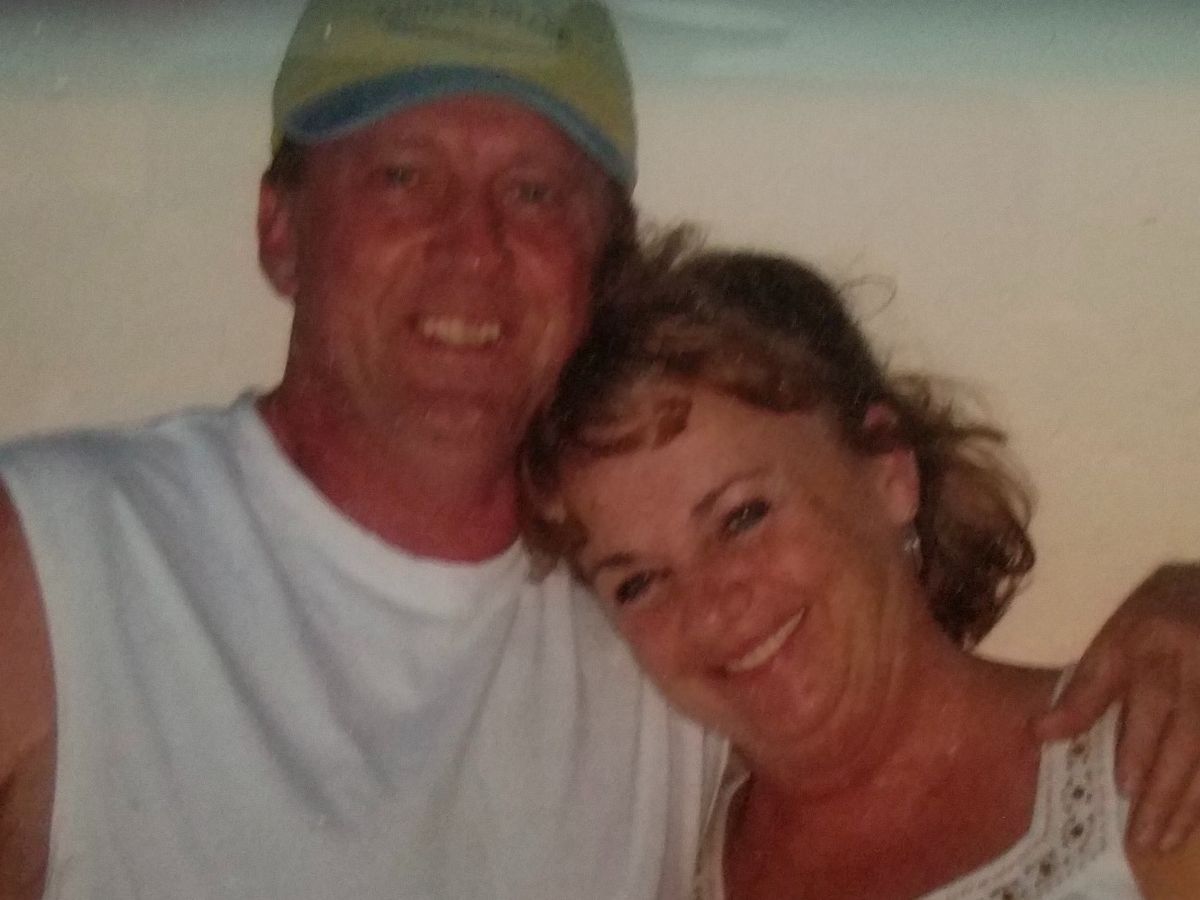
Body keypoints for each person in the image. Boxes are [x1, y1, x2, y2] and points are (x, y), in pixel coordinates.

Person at [0, 1, 1199, 897]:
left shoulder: (637, 640)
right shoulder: (56, 561)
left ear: (600, 255)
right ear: (280, 229)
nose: (471, 245)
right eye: (402, 175)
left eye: (534, 192)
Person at [521, 235, 1200, 897]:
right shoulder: (646, 861)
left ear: (889, 469)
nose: (710, 608)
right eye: (638, 582)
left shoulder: (1158, 771)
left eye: (742, 517)